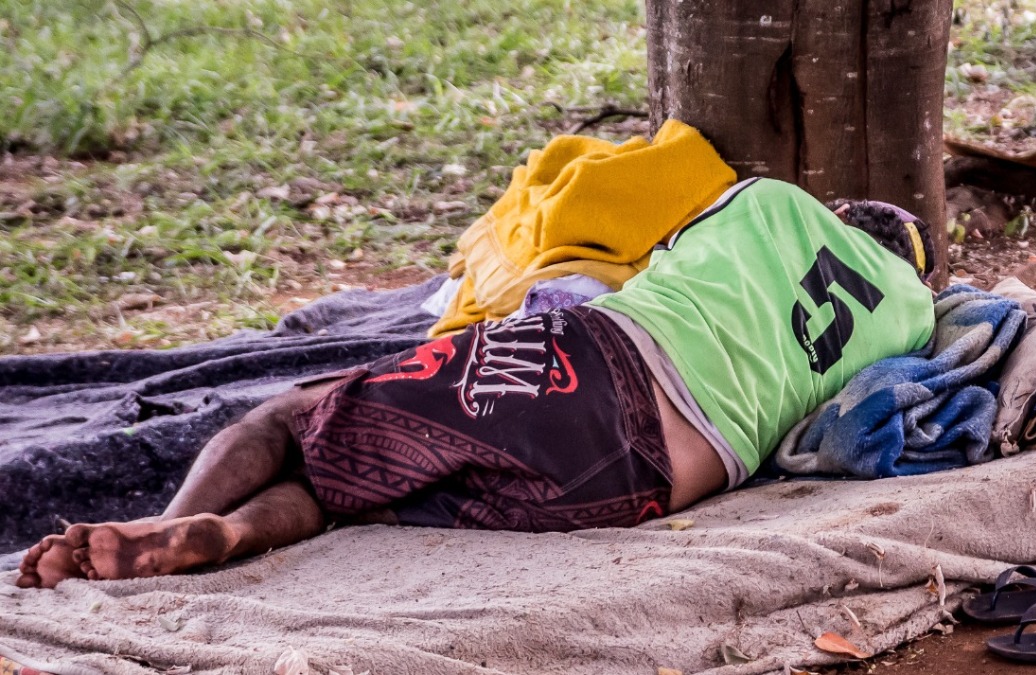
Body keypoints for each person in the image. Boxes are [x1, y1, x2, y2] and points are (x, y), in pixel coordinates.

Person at [15, 178, 936, 589]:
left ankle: (175, 518)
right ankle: (231, 535)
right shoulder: (916, 319)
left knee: (298, 416)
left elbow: (659, 256)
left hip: (595, 364)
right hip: (643, 485)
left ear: (843, 213)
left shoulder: (775, 201)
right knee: (362, 489)